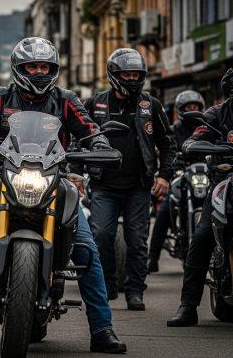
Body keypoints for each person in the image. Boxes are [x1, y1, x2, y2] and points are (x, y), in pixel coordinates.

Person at [0, 37, 127, 354]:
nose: (39, 72)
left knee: (86, 249)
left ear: (53, 69)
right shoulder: (0, 97)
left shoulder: (65, 100)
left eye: (44, 67)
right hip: (5, 175)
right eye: (32, 66)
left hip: (55, 177)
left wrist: (99, 143)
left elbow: (89, 127)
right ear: (19, 68)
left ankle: (103, 329)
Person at [84, 48, 176, 310]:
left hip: (139, 186)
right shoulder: (95, 104)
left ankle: (135, 291)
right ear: (114, 74)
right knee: (102, 235)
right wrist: (77, 174)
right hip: (103, 185)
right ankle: (108, 285)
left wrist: (164, 176)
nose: (132, 79)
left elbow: (167, 143)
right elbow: (80, 139)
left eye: (137, 75)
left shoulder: (151, 105)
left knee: (137, 241)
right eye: (127, 74)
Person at [167, 68, 233, 326]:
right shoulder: (217, 114)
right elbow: (195, 137)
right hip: (224, 183)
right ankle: (188, 306)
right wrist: (195, 144)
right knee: (203, 234)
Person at [147, 90, 205, 273]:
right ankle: (152, 258)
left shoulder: (207, 129)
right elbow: (168, 149)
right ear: (181, 110)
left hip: (203, 175)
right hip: (181, 176)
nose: (192, 110)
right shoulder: (174, 130)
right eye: (188, 107)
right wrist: (174, 166)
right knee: (165, 210)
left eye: (195, 107)